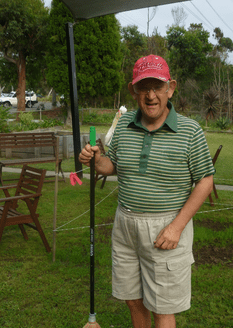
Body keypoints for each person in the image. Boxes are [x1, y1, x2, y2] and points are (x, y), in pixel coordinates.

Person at [79, 54, 215, 328]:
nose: (151, 95)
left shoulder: (190, 131)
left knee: (162, 307)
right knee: (133, 299)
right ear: (134, 90)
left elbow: (205, 181)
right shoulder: (125, 125)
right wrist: (95, 159)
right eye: (143, 88)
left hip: (166, 227)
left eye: (157, 87)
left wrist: (176, 227)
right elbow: (110, 165)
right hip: (125, 225)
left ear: (171, 88)